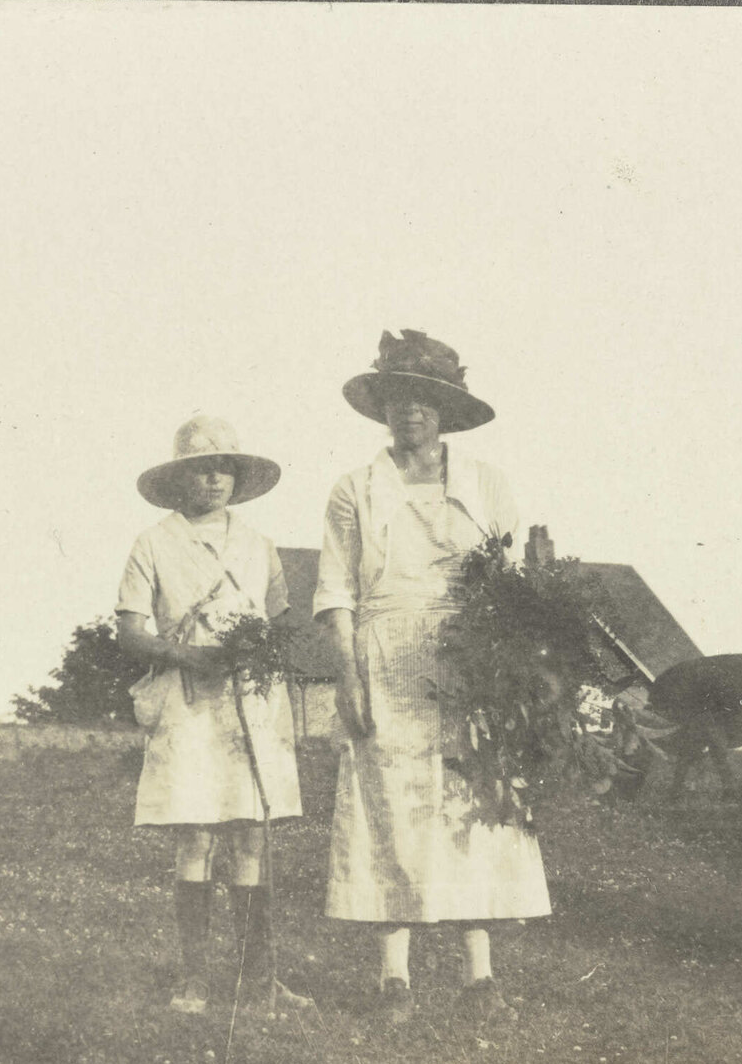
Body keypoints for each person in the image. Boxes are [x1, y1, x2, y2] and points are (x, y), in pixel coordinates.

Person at [313, 331, 552, 1023]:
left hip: (469, 659)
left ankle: (480, 977)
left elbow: (510, 587)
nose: (409, 411)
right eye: (397, 398)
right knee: (391, 802)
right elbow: (334, 591)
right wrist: (349, 677)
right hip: (386, 655)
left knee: (470, 804)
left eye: (424, 399)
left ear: (445, 410)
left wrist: (508, 674)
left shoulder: (486, 483)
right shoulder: (354, 489)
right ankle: (395, 976)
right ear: (382, 407)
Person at [116, 415, 306, 1015]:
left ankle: (259, 982)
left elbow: (276, 622)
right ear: (180, 479)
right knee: (196, 832)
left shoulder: (258, 544)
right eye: (201, 468)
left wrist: (254, 657)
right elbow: (129, 630)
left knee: (251, 832)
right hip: (188, 702)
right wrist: (189, 656)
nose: (214, 479)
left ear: (238, 477)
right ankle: (193, 979)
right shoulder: (155, 542)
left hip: (251, 702)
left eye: (225, 467)